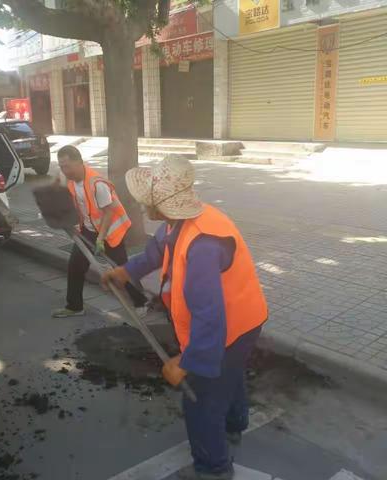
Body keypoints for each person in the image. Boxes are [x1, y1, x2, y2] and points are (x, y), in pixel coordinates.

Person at [102, 156, 268, 480]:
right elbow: (155, 252)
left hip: (232, 326)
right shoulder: (179, 221)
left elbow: (210, 319)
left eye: (147, 201)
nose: (144, 207)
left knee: (202, 400)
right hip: (246, 317)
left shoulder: (203, 246)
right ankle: (235, 425)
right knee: (228, 376)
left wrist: (187, 362)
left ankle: (213, 468)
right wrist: (126, 271)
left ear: (160, 204)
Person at [52, 145, 146, 318]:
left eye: (67, 166)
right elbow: (77, 203)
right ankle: (74, 306)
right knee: (75, 266)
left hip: (110, 231)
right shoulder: (71, 180)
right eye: (61, 166)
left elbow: (109, 212)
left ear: (79, 163)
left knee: (120, 269)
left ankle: (141, 302)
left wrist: (101, 239)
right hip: (88, 229)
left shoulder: (97, 183)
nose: (64, 170)